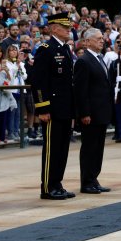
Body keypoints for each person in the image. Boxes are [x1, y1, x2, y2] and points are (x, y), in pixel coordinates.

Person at [30, 12, 76, 200]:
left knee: (63, 148)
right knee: (52, 149)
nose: (69, 30)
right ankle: (48, 187)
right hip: (52, 108)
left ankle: (57, 183)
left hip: (65, 107)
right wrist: (43, 108)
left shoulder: (65, 48)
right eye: (65, 27)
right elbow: (38, 81)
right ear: (54, 28)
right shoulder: (46, 49)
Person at [73, 28, 113, 194]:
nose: (102, 41)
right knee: (89, 148)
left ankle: (94, 178)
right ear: (87, 42)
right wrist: (84, 113)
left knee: (98, 148)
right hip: (91, 114)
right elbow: (81, 91)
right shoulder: (84, 61)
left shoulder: (99, 58)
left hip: (102, 111)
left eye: (102, 38)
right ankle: (86, 182)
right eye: (98, 39)